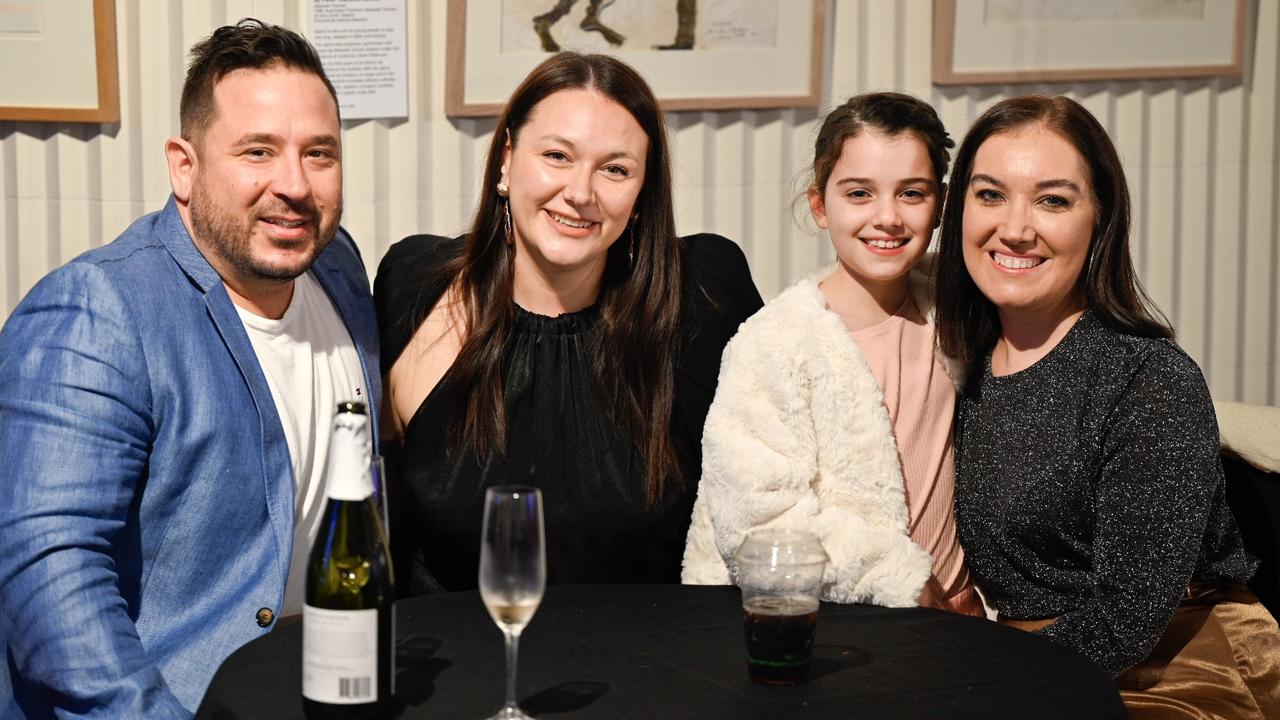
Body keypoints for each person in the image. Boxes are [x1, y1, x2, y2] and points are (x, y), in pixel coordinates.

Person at [0, 19, 380, 717]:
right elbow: (47, 572)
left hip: (330, 686)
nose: (294, 185)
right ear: (184, 166)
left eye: (318, 153)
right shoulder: (97, 310)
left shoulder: (337, 265)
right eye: (258, 150)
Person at [935, 94, 1280, 716]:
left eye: (1053, 200)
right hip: (1028, 661)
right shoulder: (958, 362)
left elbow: (1127, 619)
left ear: (1101, 219)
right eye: (989, 195)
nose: (1014, 227)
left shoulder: (1149, 380)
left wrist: (974, 676)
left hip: (1181, 667)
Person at [376, 51, 762, 594]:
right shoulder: (413, 286)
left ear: (642, 190)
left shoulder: (700, 296)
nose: (581, 192)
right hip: (456, 666)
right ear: (506, 160)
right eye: (557, 155)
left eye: (615, 169)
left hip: (653, 667)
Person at [682, 92, 983, 616]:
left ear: (940, 204)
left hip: (959, 620)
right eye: (860, 193)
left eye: (911, 193)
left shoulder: (956, 310)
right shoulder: (775, 344)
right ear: (820, 205)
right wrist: (901, 579)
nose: (886, 217)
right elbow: (757, 518)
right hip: (842, 623)